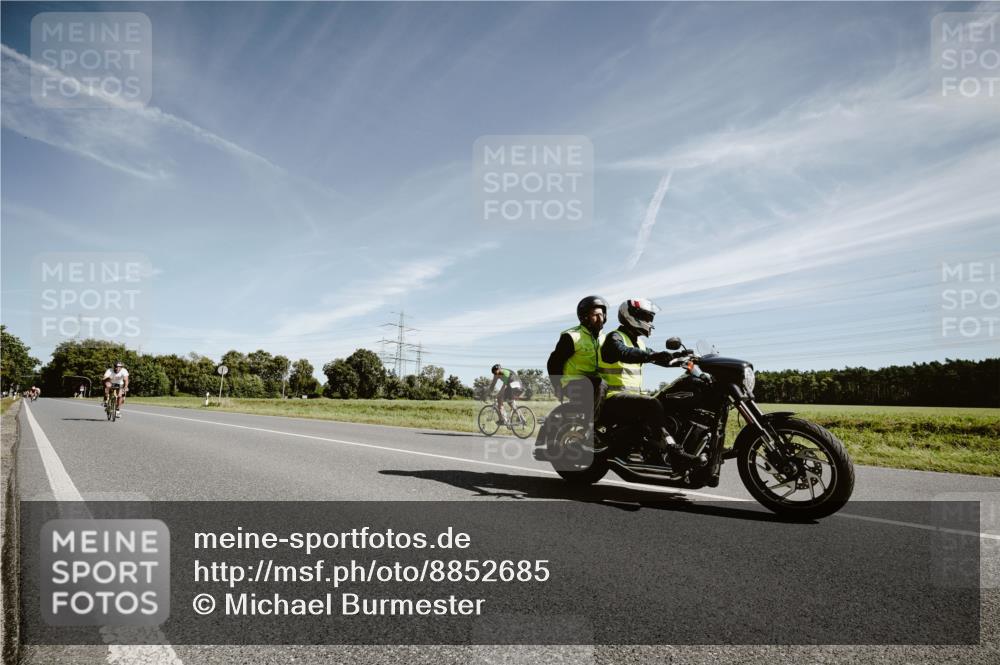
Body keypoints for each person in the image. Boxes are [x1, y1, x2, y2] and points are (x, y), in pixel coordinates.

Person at [597, 299, 676, 463]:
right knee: (651, 404)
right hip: (612, 397)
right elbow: (623, 352)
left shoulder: (639, 343)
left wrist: (681, 357)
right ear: (632, 316)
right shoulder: (614, 338)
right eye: (646, 317)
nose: (649, 322)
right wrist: (651, 356)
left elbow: (657, 357)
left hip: (629, 399)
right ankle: (669, 449)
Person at [546, 295, 609, 412]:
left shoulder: (605, 339)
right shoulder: (572, 336)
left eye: (601, 314)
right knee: (599, 383)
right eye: (595, 315)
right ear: (584, 317)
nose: (600, 318)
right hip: (572, 384)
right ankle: (592, 425)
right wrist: (557, 387)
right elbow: (554, 362)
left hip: (596, 384)